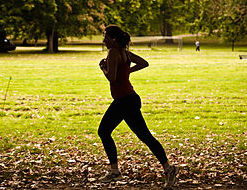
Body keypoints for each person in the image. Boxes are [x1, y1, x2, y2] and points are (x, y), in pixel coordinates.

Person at [98, 25, 179, 186]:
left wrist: (103, 68)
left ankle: (115, 171)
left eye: (106, 37)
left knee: (104, 131)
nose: (104, 40)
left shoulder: (113, 52)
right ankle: (168, 168)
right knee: (144, 136)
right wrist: (127, 72)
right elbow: (144, 63)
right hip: (129, 99)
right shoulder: (124, 53)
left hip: (124, 101)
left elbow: (112, 78)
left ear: (113, 39)